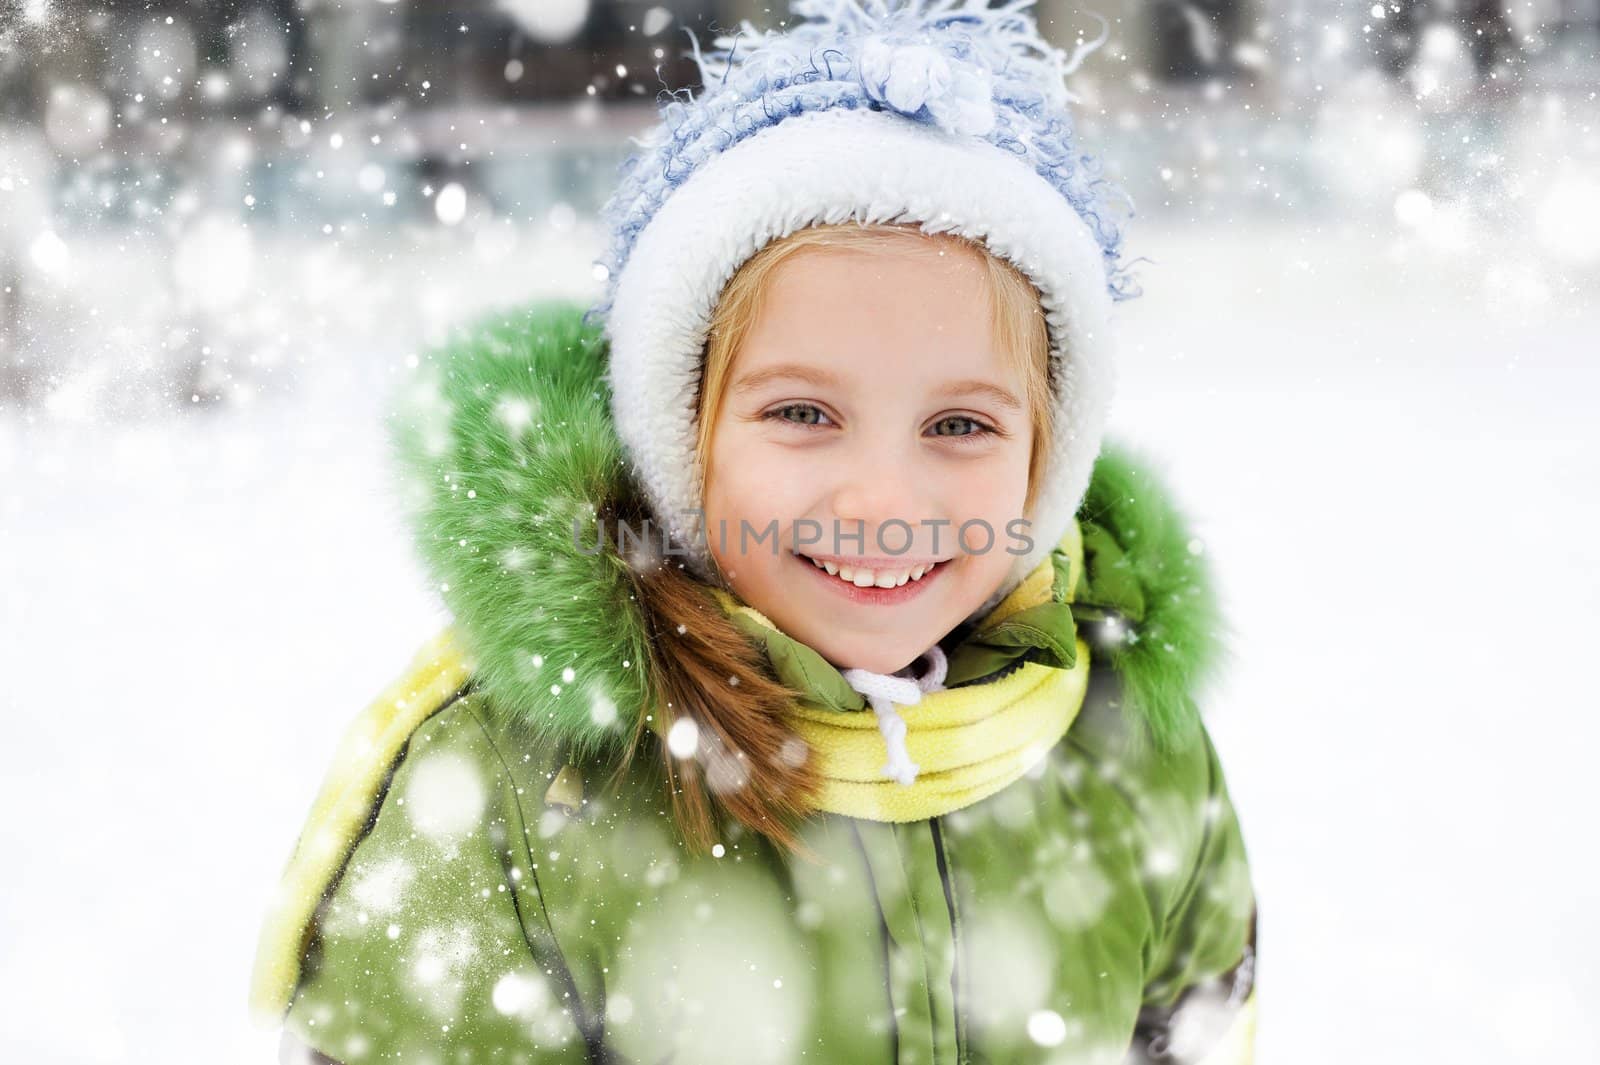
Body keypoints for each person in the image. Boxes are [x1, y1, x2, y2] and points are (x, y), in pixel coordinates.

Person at [251, 2, 1259, 1062]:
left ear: (1046, 462)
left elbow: (1192, 1027)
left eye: (958, 425)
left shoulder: (1123, 739)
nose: (882, 503)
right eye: (802, 415)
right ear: (678, 437)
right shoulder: (520, 788)